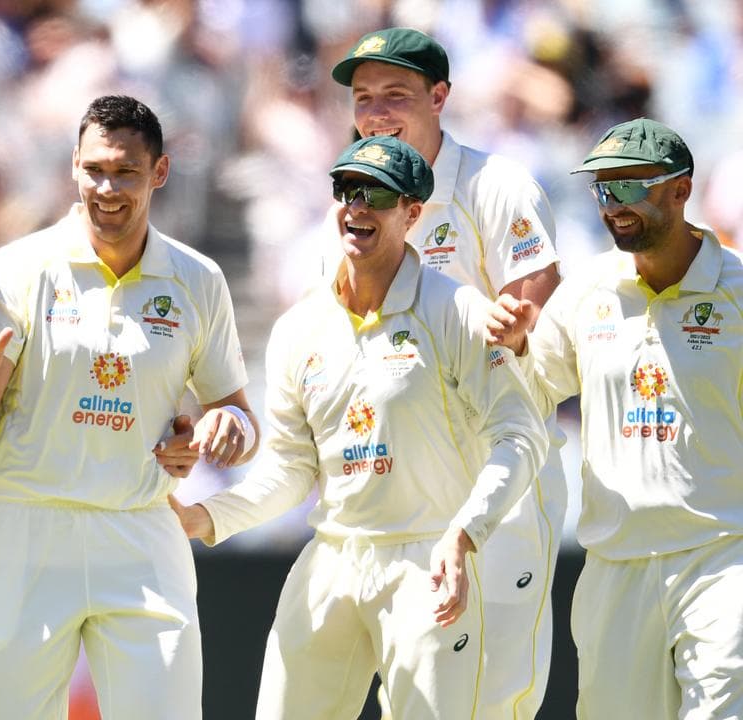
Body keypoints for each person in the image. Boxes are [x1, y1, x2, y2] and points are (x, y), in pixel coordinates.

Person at [172, 135, 547, 718]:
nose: (357, 206)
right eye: (347, 189)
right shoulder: (301, 328)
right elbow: (294, 469)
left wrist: (465, 532)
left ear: (412, 213)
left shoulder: (457, 310)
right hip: (333, 555)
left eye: (376, 194)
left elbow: (521, 437)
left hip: (429, 558)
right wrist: (208, 516)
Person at [0, 94, 257, 719]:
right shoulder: (21, 266)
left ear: (159, 173)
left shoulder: (197, 280)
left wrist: (223, 427)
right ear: (74, 168)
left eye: (126, 172)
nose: (107, 189)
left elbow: (239, 417)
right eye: (94, 170)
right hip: (22, 525)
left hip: (140, 526)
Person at [321, 27, 565, 716]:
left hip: (500, 459)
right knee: (417, 688)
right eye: (364, 99)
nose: (376, 114)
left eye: (396, 96)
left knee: (496, 686)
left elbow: (536, 279)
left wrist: (512, 327)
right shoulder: (357, 199)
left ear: (440, 97)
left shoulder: (495, 181)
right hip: (400, 473)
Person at [487, 118, 743, 719]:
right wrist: (519, 346)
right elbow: (537, 388)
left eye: (631, 187)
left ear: (680, 190)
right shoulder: (591, 289)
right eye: (604, 189)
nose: (614, 205)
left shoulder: (738, 292)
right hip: (614, 563)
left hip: (722, 555)